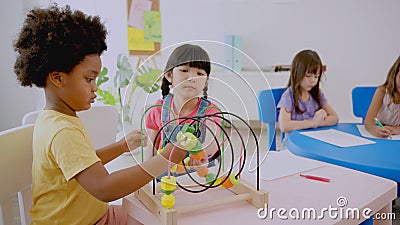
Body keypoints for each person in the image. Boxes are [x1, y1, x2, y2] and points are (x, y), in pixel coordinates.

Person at [13, 5, 186, 225]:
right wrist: (165, 159)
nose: (95, 87)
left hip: (95, 215)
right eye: (89, 79)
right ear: (57, 78)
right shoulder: (62, 130)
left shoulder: (56, 118)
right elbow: (105, 188)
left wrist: (121, 146)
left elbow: (82, 163)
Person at [144, 44, 222, 171]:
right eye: (184, 70)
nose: (192, 78)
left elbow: (212, 142)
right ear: (169, 76)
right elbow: (151, 149)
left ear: (206, 81)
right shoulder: (157, 109)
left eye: (199, 73)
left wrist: (200, 153)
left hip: (199, 177)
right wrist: (146, 177)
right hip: (165, 180)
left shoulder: (211, 111)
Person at [277, 49, 339, 134]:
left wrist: (318, 122)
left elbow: (335, 118)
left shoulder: (317, 94)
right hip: (294, 144)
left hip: (312, 139)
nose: (312, 80)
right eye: (308, 76)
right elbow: (284, 126)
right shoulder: (288, 96)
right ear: (296, 74)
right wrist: (313, 122)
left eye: (316, 76)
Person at [364, 56, 400, 138]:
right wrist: (375, 130)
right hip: (383, 134)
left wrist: (398, 129)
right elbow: (368, 121)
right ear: (394, 74)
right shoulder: (382, 91)